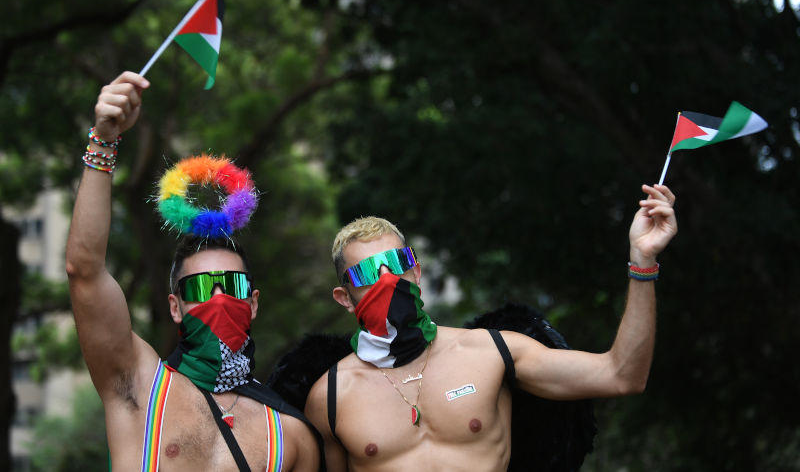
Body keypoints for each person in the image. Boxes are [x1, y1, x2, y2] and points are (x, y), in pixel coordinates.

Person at [305, 186, 677, 471]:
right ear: (345, 297)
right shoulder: (331, 397)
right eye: (368, 272)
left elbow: (622, 375)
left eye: (397, 261)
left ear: (416, 271)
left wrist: (642, 261)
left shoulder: (492, 352)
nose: (388, 278)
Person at [66, 72, 319, 471]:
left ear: (253, 302)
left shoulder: (290, 435)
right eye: (199, 287)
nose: (218, 298)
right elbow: (83, 271)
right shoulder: (141, 386)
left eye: (231, 285)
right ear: (175, 307)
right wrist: (104, 140)